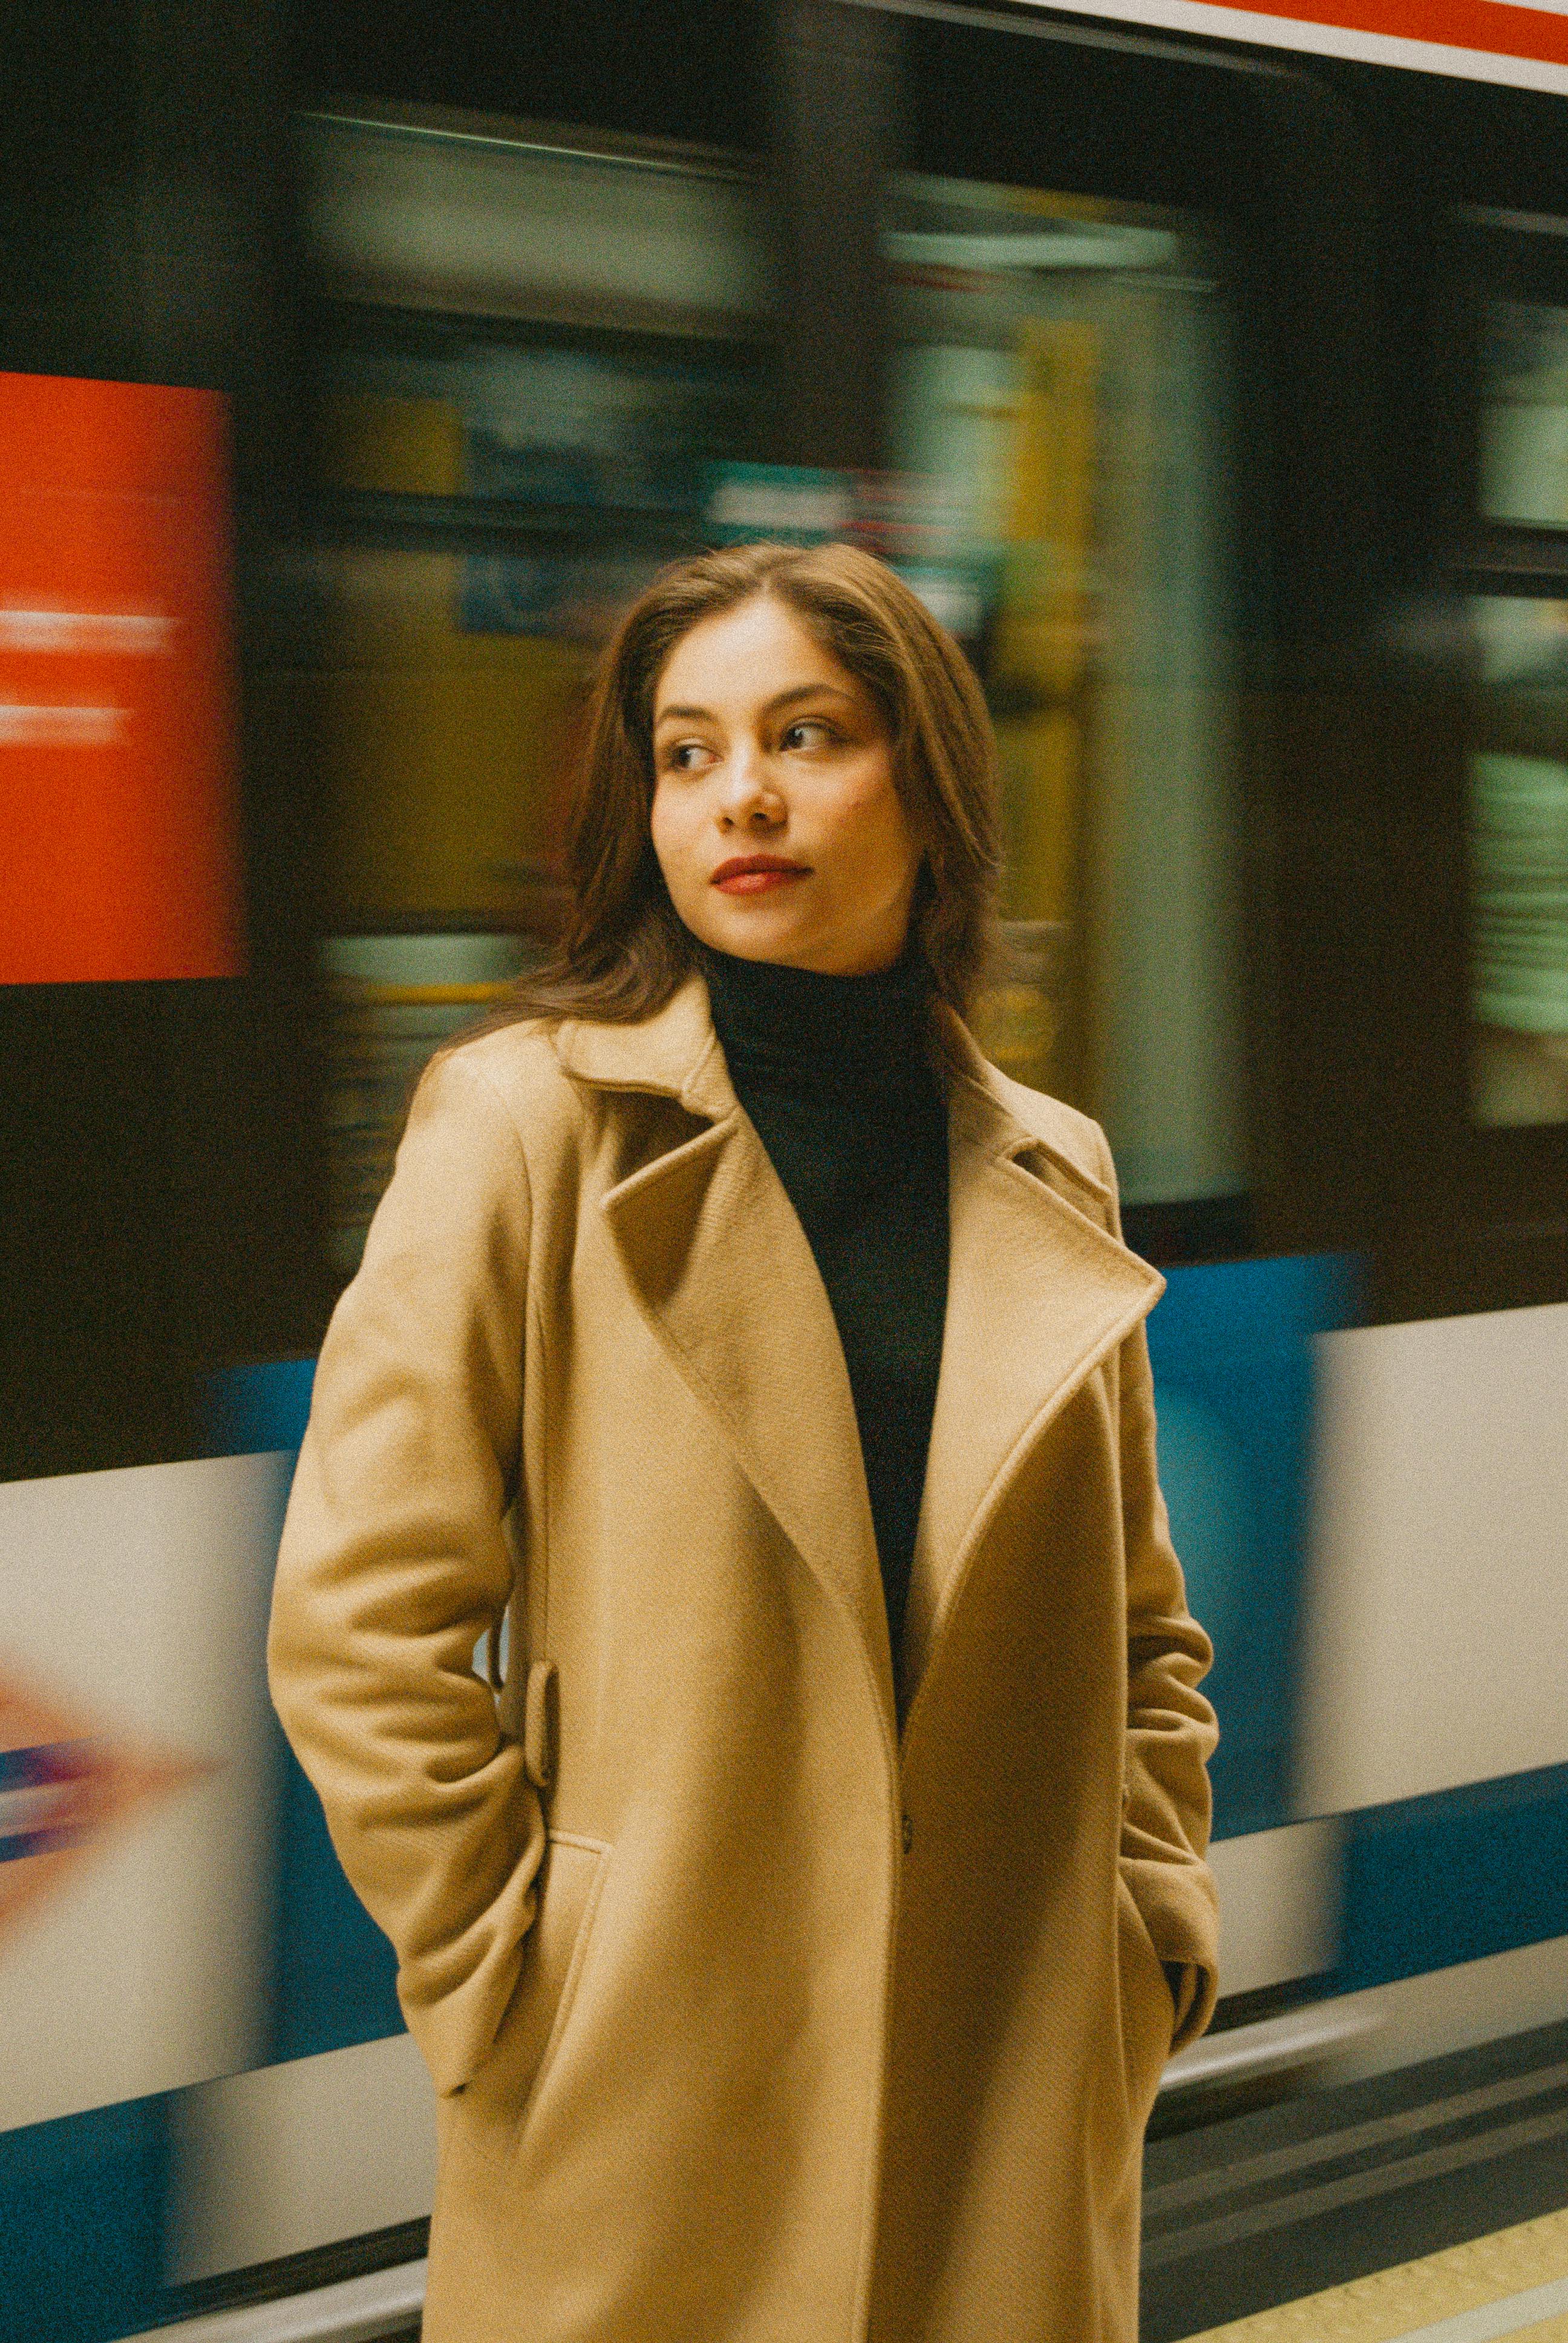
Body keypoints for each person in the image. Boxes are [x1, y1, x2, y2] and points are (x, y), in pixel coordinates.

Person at [267, 539, 1218, 2343]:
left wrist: (1142, 1936)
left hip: (1006, 2087)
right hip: (643, 2096)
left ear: (927, 783)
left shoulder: (1047, 1163)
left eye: (809, 734)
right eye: (687, 753)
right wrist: (514, 1986)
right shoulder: (522, 1127)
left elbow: (1144, 1634)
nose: (743, 797)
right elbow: (360, 1628)